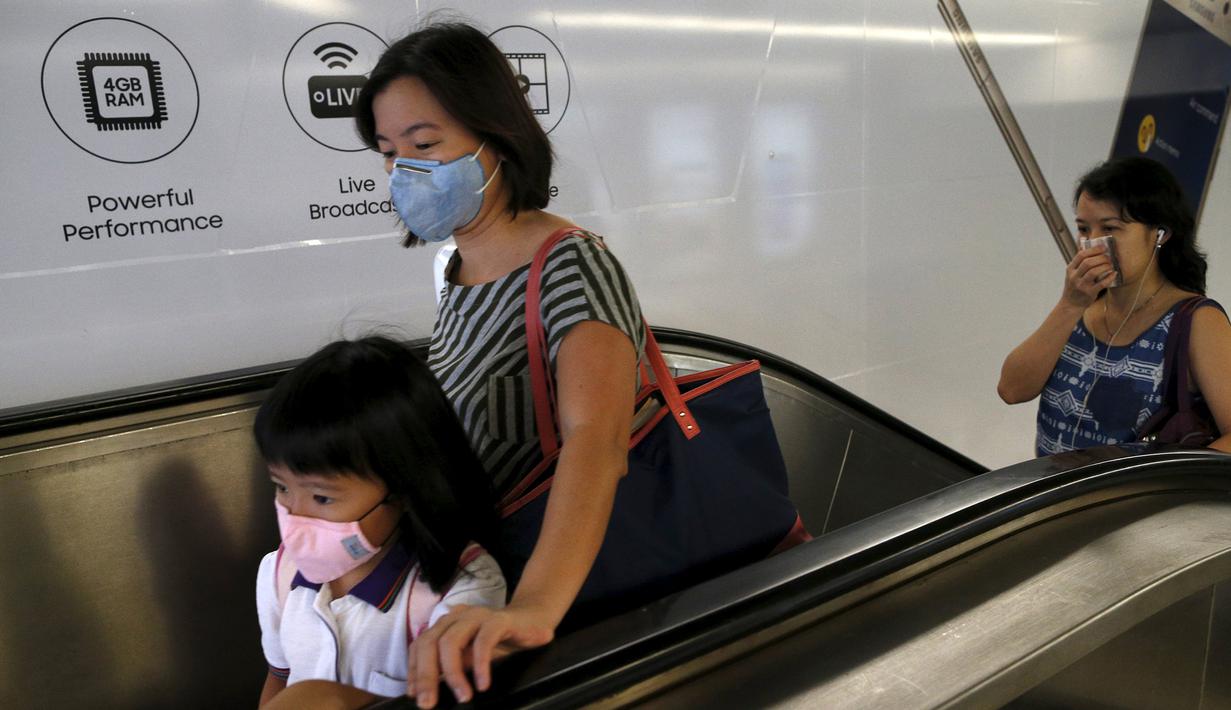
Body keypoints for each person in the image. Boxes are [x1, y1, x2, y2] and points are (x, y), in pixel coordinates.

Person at [354, 21, 646, 709]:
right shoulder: (454, 268)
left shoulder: (572, 266)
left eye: (425, 145)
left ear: (495, 136)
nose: (404, 171)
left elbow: (596, 445)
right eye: (390, 152)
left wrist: (533, 609)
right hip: (479, 584)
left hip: (563, 599)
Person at [252, 336, 507, 705]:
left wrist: (324, 699)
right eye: (281, 488)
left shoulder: (459, 590)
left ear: (403, 489)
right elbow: (280, 678)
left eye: (322, 497)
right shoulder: (279, 574)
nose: (296, 518)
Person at [998, 156, 1231, 455]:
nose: (1094, 244)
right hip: (1054, 496)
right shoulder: (1080, 307)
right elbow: (1011, 389)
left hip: (1137, 500)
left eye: (1111, 229)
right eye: (1084, 229)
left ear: (1160, 234)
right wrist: (1069, 304)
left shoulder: (1195, 321)